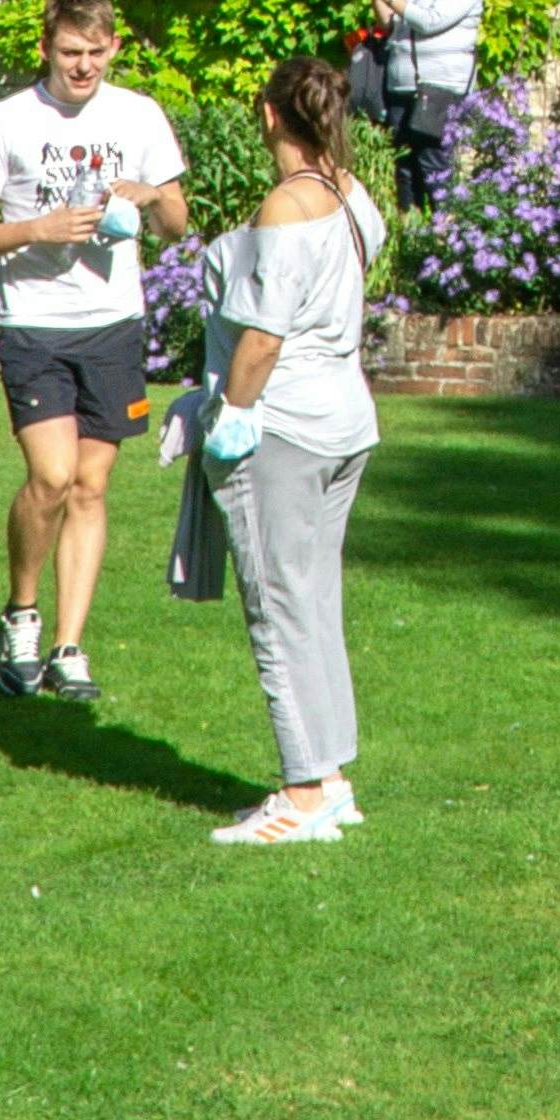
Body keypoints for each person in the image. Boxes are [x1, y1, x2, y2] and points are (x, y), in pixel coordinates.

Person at [0, 0, 188, 705]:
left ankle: (68, 647)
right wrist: (37, 229)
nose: (83, 67)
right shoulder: (8, 121)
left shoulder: (139, 115)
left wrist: (152, 196)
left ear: (114, 47)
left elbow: (178, 223)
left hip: (114, 324)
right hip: (35, 323)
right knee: (50, 478)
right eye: (69, 53)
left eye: (95, 53)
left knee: (91, 485)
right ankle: (21, 614)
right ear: (47, 50)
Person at [189, 50, 389, 847]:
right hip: (346, 420)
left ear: (271, 115)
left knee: (278, 604)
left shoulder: (285, 208)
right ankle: (330, 777)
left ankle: (304, 791)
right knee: (313, 601)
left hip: (289, 427)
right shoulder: (353, 195)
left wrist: (230, 412)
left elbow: (263, 338)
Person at [359, 0, 487, 210]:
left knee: (434, 164)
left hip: (438, 88)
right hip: (402, 87)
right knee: (404, 168)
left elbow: (431, 20)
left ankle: (446, 236)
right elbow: (391, 24)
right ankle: (411, 235)